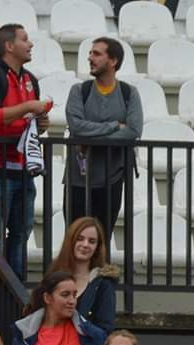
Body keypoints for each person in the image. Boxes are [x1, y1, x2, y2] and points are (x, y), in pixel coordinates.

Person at [0, 24, 50, 277]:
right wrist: (27, 107)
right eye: (25, 40)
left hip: (24, 165)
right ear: (9, 46)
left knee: (21, 231)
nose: (31, 44)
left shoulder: (30, 79)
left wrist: (40, 123)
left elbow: (28, 121)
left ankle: (17, 292)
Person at [65, 37, 142, 240]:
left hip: (112, 178)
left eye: (97, 54)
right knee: (74, 239)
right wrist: (114, 126)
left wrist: (92, 136)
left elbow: (133, 131)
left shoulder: (129, 93)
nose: (90, 57)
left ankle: (98, 274)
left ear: (113, 61)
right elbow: (76, 126)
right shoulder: (79, 91)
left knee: (101, 241)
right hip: (78, 179)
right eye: (90, 53)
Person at [11, 271, 109, 345]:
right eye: (65, 295)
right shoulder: (24, 334)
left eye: (74, 295)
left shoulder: (92, 335)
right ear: (47, 298)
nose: (72, 301)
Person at [48, 217, 119, 336]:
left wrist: (81, 325)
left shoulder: (103, 284)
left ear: (97, 247)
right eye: (80, 239)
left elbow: (105, 330)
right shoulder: (53, 276)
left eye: (92, 241)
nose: (85, 245)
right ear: (70, 241)